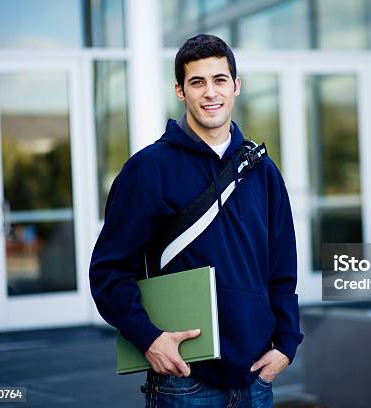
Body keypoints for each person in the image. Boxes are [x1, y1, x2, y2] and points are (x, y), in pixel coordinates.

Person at [89, 34, 304, 407]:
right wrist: (148, 338)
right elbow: (108, 271)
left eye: (220, 80)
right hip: (184, 380)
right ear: (180, 91)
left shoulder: (262, 171)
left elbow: (282, 268)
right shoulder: (149, 169)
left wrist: (287, 343)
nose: (210, 93)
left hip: (256, 378)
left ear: (236, 86)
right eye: (197, 82)